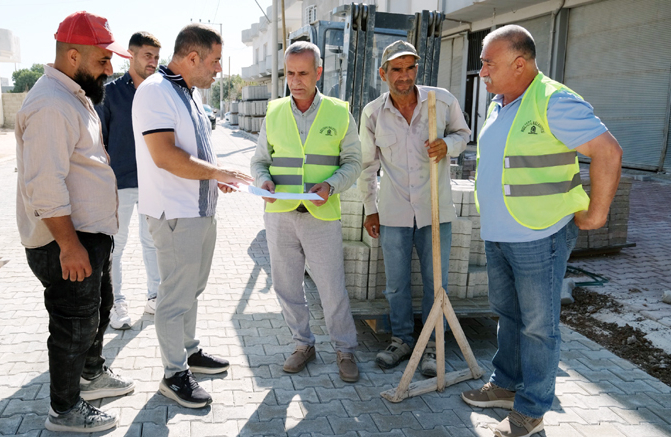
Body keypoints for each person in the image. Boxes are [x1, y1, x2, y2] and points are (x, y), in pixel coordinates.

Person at [459, 25, 622, 437]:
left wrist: (597, 213)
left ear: (520, 63)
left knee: (538, 325)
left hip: (539, 236)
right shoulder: (500, 103)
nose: (481, 71)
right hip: (501, 234)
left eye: (487, 63)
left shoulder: (553, 101)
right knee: (510, 316)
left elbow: (608, 151)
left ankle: (531, 409)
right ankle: (506, 385)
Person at [15, 11, 136, 432]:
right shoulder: (50, 104)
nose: (111, 68)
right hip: (65, 241)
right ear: (72, 56)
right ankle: (64, 411)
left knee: (97, 311)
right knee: (72, 325)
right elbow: (45, 186)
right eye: (103, 60)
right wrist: (69, 245)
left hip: (87, 235)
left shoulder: (72, 96)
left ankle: (91, 376)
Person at [132, 23, 252, 409]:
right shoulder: (155, 92)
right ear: (193, 57)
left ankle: (188, 352)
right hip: (175, 214)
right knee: (174, 295)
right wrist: (218, 173)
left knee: (191, 290)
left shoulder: (189, 92)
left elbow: (193, 149)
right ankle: (173, 373)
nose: (219, 69)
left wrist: (213, 179)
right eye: (215, 61)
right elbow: (165, 155)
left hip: (200, 210)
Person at [250, 41, 361, 383]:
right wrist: (263, 181)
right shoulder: (274, 112)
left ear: (319, 73)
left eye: (303, 73)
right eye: (290, 73)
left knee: (331, 287)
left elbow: (354, 163)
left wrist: (330, 186)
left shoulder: (339, 113)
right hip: (280, 214)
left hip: (321, 214)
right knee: (287, 287)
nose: (295, 81)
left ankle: (345, 350)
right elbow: (259, 161)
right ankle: (303, 345)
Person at [359, 40, 470, 374]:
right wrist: (370, 208)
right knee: (396, 284)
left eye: (410, 68)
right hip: (393, 212)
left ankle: (435, 346)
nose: (404, 76)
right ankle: (402, 340)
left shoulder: (442, 101)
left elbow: (464, 134)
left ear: (416, 70)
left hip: (435, 210)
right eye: (396, 69)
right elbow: (367, 166)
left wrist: (447, 144)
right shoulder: (373, 113)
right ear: (383, 73)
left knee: (437, 282)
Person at [95, 31, 162, 330]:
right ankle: (116, 303)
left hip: (153, 183)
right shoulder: (110, 92)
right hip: (119, 184)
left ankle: (155, 297)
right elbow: (99, 140)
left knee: (153, 244)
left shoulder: (159, 92)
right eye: (148, 55)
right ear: (131, 55)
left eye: (157, 57)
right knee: (115, 247)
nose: (153, 62)